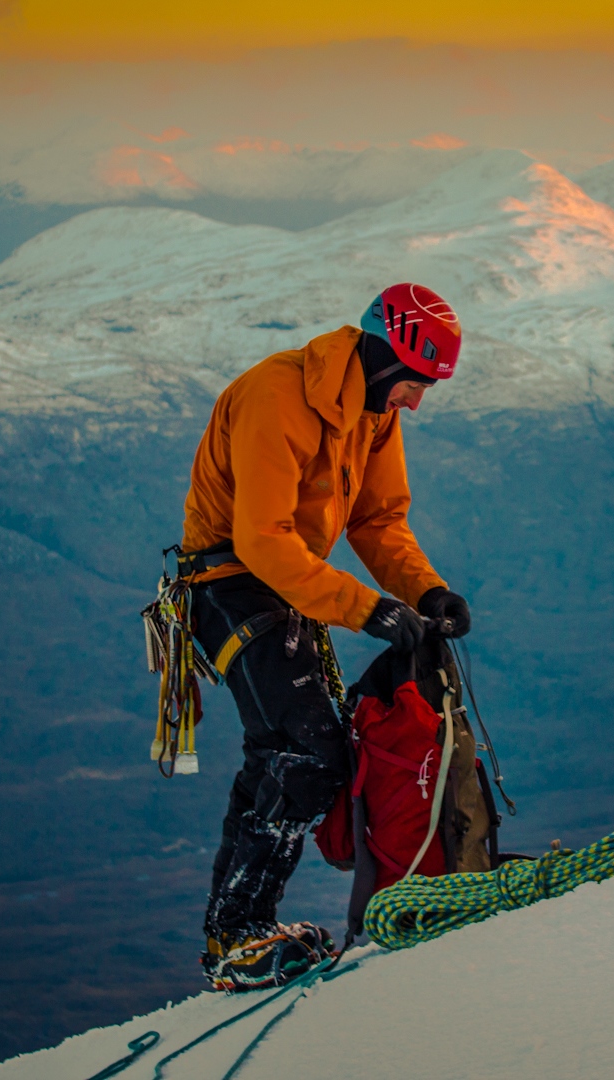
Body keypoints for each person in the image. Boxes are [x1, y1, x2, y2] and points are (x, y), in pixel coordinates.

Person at [177, 283, 474, 991]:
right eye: (415, 382)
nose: (417, 402)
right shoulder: (275, 397)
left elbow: (378, 522)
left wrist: (426, 592)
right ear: (385, 353)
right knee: (303, 752)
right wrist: (366, 610)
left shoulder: (370, 411)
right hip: (226, 583)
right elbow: (261, 538)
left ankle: (241, 927)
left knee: (306, 753)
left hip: (285, 588)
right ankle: (235, 933)